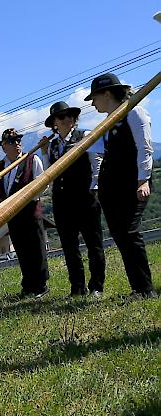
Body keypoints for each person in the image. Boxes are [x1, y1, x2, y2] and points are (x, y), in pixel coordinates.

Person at [86, 73, 156, 298]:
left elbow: (145, 147)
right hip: (111, 186)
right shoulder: (109, 120)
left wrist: (143, 179)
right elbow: (91, 148)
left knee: (129, 232)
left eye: (94, 98)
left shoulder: (134, 112)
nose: (93, 103)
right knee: (120, 234)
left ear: (107, 94)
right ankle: (137, 288)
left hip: (132, 183)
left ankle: (146, 290)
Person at [40, 101, 106, 297]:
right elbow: (49, 171)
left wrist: (94, 190)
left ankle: (96, 287)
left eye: (70, 116)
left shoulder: (84, 136)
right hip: (62, 201)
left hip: (85, 198)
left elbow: (97, 163)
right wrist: (44, 152)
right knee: (69, 246)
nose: (67, 119)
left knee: (94, 243)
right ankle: (77, 287)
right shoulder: (52, 145)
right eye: (62, 117)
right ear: (55, 123)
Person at [0, 128, 49, 298]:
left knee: (36, 248)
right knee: (21, 249)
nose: (16, 144)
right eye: (11, 141)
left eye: (18, 140)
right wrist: (4, 204)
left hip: (30, 209)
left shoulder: (32, 159)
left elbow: (42, 183)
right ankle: (28, 285)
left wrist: (28, 198)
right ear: (3, 147)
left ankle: (41, 285)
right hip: (12, 214)